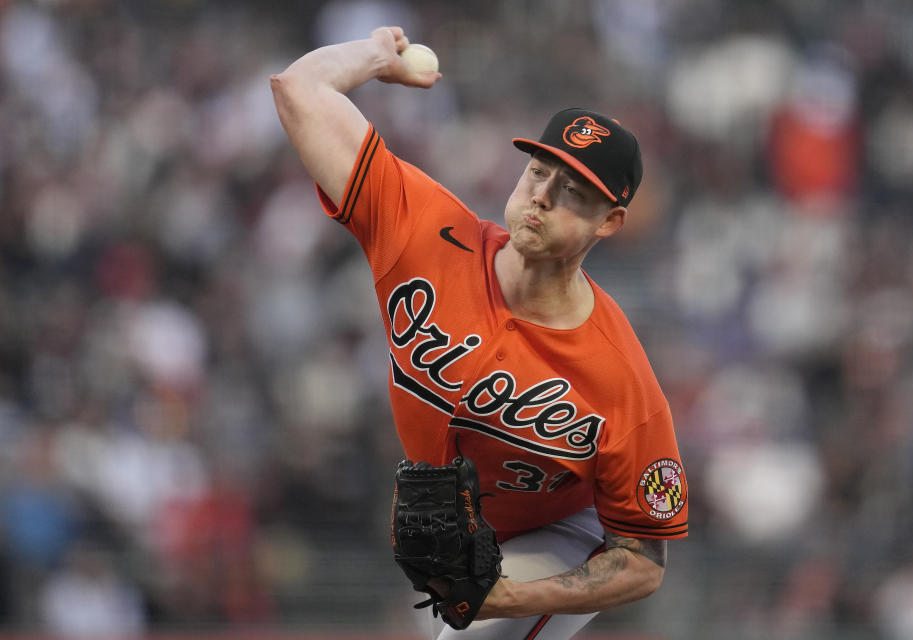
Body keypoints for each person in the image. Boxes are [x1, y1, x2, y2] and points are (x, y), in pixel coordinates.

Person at [270, 26, 687, 640]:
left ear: (611, 221)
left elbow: (644, 561)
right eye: (538, 172)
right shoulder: (426, 232)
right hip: (467, 528)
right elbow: (297, 87)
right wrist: (376, 56)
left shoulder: (619, 377)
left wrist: (506, 597)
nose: (542, 197)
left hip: (564, 530)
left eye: (572, 192)